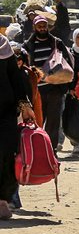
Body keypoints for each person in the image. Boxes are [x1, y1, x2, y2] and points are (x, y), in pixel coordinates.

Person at [25, 14, 72, 152]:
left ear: (48, 27)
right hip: (37, 91)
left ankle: (51, 151)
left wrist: (66, 87)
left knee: (53, 123)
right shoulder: (28, 45)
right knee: (37, 122)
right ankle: (38, 151)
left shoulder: (57, 43)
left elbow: (68, 63)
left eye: (44, 26)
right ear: (34, 27)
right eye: (39, 26)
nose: (42, 28)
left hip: (55, 89)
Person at [0, 36, 35, 220]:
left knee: (6, 154)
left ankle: (3, 200)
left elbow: (16, 79)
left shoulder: (3, 46)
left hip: (5, 113)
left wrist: (25, 106)